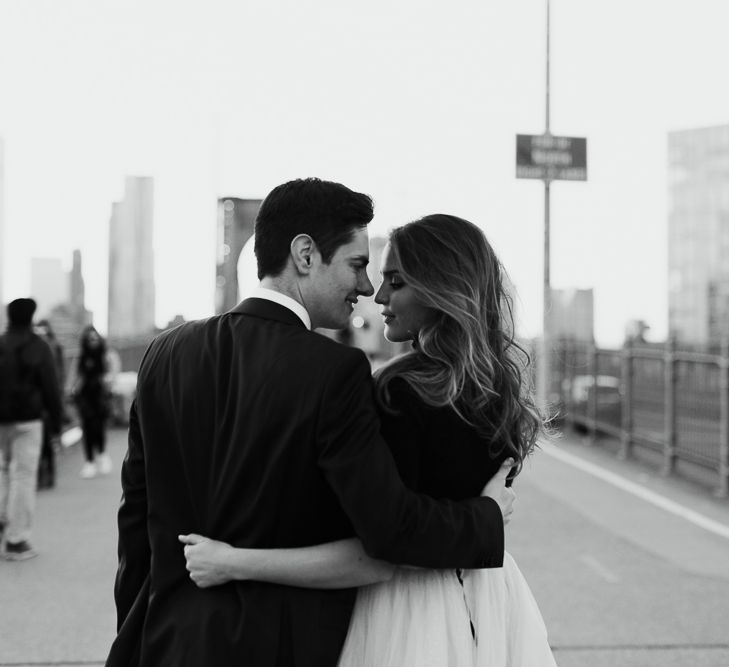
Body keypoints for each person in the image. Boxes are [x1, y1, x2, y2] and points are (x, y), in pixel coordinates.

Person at [107, 179, 515, 667]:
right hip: (278, 645)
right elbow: (386, 528)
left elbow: (136, 521)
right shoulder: (334, 371)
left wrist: (132, 636)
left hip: (164, 640)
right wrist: (485, 517)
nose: (366, 288)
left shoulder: (164, 353)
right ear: (305, 255)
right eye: (357, 265)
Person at [180, 215, 557, 665]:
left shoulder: (401, 391)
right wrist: (487, 517)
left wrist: (232, 562)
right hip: (491, 599)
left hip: (411, 614)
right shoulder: (497, 389)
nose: (377, 296)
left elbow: (382, 551)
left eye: (395, 282)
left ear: (441, 289)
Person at [0, 298, 63, 560]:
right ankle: (16, 540)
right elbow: (50, 387)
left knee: (2, 472)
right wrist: (57, 425)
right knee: (23, 477)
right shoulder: (39, 346)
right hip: (28, 420)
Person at [73, 325, 112, 479]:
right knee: (87, 428)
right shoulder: (81, 357)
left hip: (101, 396)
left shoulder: (106, 356)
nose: (93, 341)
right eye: (90, 339)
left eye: (95, 338)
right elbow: (76, 376)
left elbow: (111, 373)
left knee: (99, 427)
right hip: (85, 397)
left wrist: (108, 385)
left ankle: (102, 454)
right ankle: (89, 461)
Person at [34, 319, 66, 489]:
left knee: (47, 440)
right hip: (38, 402)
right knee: (40, 441)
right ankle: (40, 475)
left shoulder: (53, 347)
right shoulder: (33, 348)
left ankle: (49, 473)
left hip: (48, 399)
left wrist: (59, 394)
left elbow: (59, 373)